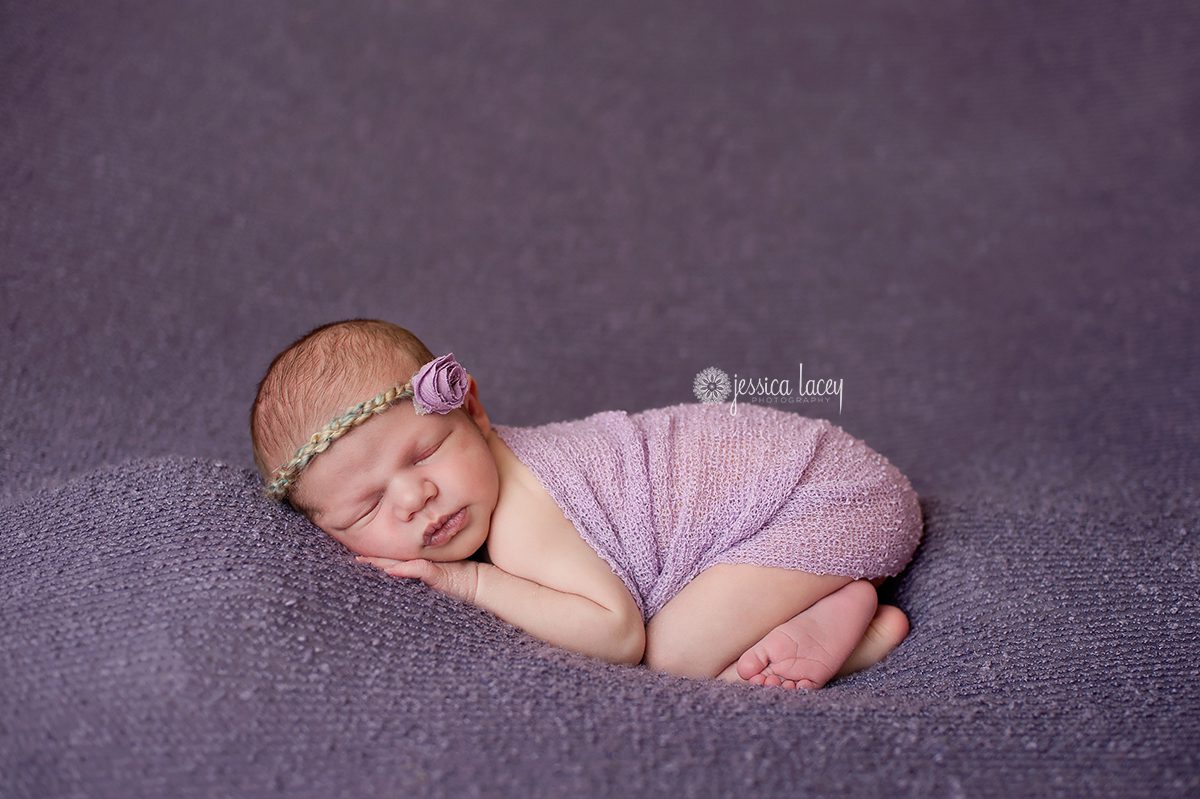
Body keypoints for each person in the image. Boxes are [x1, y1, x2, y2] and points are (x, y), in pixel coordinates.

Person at [251, 319, 922, 689]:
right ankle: (827, 604)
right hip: (817, 490)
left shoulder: (521, 514)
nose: (414, 496)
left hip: (831, 499)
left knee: (675, 655)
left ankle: (851, 628)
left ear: (473, 410)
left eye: (424, 453)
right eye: (367, 507)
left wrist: (468, 581)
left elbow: (617, 634)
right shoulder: (487, 480)